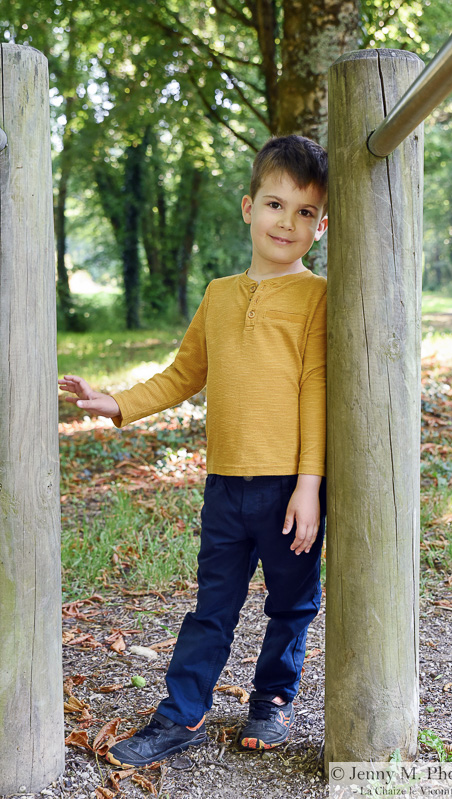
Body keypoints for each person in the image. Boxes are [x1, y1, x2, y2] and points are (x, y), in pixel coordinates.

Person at [59, 134, 328, 769]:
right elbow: (183, 375)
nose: (286, 222)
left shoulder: (317, 297)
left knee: (292, 602)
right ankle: (180, 714)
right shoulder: (217, 294)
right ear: (247, 207)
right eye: (274, 204)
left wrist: (310, 486)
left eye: (305, 211)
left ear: (322, 223)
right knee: (212, 607)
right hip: (225, 487)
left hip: (291, 487)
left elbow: (318, 391)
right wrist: (117, 402)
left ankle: (272, 699)